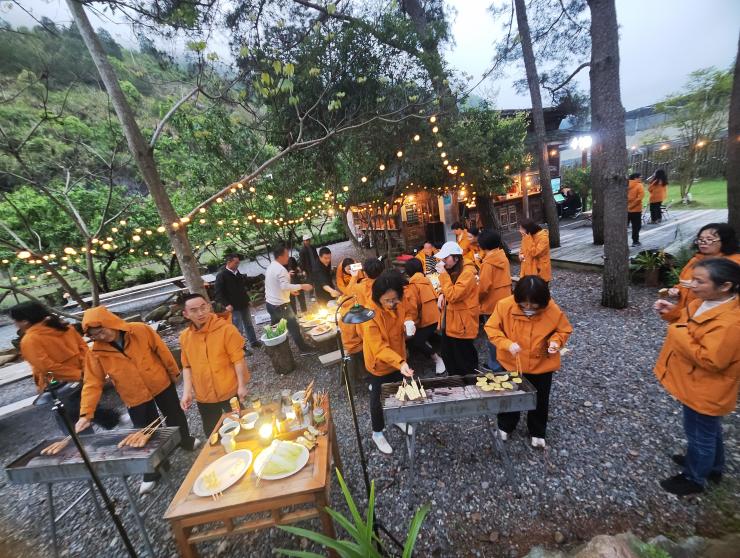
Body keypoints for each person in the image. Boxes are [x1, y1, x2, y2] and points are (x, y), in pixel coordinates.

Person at [77, 305, 198, 494]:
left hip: (159, 381)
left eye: (101, 331)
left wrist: (174, 372)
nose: (100, 337)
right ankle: (156, 466)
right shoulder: (96, 353)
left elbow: (162, 351)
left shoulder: (140, 330)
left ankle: (185, 440)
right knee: (145, 429)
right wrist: (86, 413)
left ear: (111, 323)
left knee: (174, 414)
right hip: (133, 394)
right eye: (94, 336)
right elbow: (92, 382)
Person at [652, 258, 740, 495]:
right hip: (694, 382)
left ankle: (694, 478)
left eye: (699, 281)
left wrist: (676, 331)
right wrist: (672, 313)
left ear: (725, 286)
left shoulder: (731, 323)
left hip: (707, 388)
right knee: (708, 430)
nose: (692, 285)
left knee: (699, 434)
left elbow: (711, 360)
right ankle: (713, 466)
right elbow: (686, 321)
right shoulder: (704, 302)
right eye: (692, 279)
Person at [485, 276, 572, 448]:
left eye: (534, 305)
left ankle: (537, 431)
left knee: (540, 399)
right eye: (524, 304)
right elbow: (491, 328)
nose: (529, 308)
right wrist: (506, 344)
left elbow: (563, 330)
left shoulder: (552, 309)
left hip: (541, 366)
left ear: (543, 301)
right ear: (517, 298)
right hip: (512, 363)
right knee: (509, 396)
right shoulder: (504, 305)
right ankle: (505, 426)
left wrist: (555, 342)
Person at [10, 302, 118, 435]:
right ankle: (110, 421)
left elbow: (47, 368)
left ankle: (87, 440)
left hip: (59, 385)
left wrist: (77, 375)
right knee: (85, 404)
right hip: (82, 377)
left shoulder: (30, 340)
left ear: (25, 321)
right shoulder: (65, 327)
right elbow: (84, 350)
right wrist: (86, 372)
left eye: (15, 321)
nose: (15, 324)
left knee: (70, 418)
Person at [179, 293, 251, 437]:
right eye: (194, 310)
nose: (200, 313)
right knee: (213, 433)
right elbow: (187, 366)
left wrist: (242, 385)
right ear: (186, 314)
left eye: (203, 307)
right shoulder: (185, 337)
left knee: (242, 426)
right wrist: (187, 393)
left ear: (209, 307)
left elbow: (238, 360)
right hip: (204, 395)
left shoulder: (226, 329)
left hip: (229, 390)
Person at [361, 270, 415, 454]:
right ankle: (377, 432)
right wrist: (400, 363)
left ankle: (398, 418)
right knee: (377, 400)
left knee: (399, 390)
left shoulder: (399, 301)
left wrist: (408, 322)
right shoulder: (369, 315)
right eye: (387, 301)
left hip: (399, 357)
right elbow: (379, 348)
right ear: (378, 298)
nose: (392, 304)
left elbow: (407, 311)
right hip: (380, 364)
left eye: (395, 300)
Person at [661, 223, 740, 322]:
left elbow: (733, 292)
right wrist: (677, 290)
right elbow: (683, 282)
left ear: (725, 241)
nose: (703, 242)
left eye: (709, 239)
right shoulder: (696, 260)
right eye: (700, 239)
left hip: (713, 316)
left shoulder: (734, 262)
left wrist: (697, 285)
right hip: (688, 314)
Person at [435, 241, 480, 375]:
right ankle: (455, 380)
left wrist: (443, 274)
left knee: (463, 356)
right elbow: (448, 288)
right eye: (442, 258)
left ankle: (469, 381)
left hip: (462, 321)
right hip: (451, 319)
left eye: (446, 257)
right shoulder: (454, 268)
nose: (443, 261)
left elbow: (454, 295)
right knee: (448, 353)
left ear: (456, 257)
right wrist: (441, 294)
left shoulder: (467, 273)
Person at [264, 242, 316, 355]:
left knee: (275, 328)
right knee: (294, 327)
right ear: (280, 256)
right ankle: (303, 349)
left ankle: (274, 349)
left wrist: (291, 291)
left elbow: (276, 285)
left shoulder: (271, 266)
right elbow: (284, 286)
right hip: (281, 306)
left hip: (270, 304)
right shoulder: (280, 269)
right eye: (286, 255)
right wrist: (302, 286)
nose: (288, 257)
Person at [477, 230, 512, 372]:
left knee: (493, 335)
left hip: (492, 304)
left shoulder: (488, 263)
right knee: (504, 333)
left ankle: (495, 365)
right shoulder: (502, 257)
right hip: (505, 300)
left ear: (483, 245)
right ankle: (507, 362)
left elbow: (483, 288)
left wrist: (476, 299)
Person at [403, 258, 445, 375]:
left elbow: (413, 308)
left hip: (428, 320)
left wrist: (410, 322)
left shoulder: (412, 285)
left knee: (415, 340)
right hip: (437, 316)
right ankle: (441, 345)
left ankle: (437, 358)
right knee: (424, 334)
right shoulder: (425, 279)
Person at [213, 253, 262, 352]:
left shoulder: (237, 273)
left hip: (243, 303)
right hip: (233, 306)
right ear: (229, 262)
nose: (238, 265)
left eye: (238, 263)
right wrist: (226, 304)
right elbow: (218, 294)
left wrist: (248, 300)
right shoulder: (221, 275)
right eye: (236, 263)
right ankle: (241, 348)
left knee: (249, 324)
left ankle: (253, 341)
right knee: (238, 328)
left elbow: (242, 289)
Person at [627, 173, 645, 246]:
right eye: (640, 177)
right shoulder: (639, 185)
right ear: (635, 178)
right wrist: (631, 206)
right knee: (636, 226)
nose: (641, 178)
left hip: (625, 210)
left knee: (623, 227)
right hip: (636, 210)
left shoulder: (625, 185)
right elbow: (640, 198)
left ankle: (620, 241)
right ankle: (635, 241)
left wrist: (627, 207)